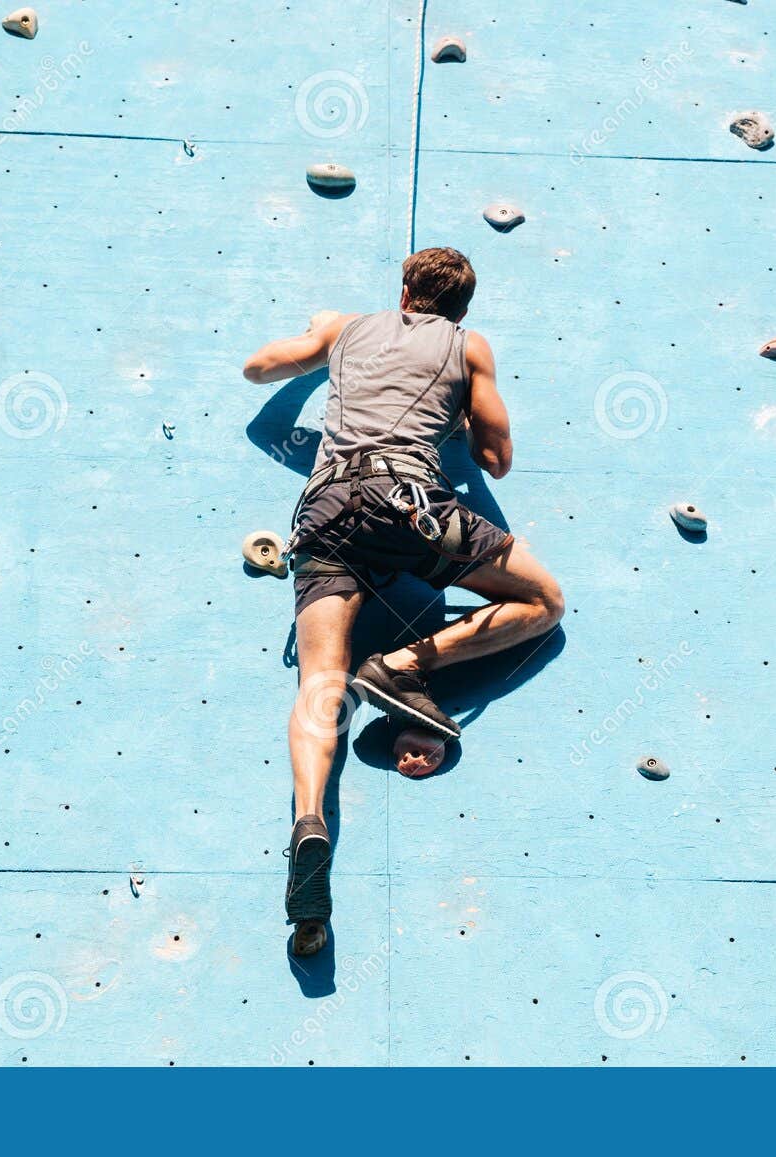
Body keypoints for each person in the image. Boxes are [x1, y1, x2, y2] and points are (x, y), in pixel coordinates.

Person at [242, 247, 565, 956]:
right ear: (463, 308)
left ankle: (308, 822)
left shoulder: (347, 329)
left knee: (319, 683)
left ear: (405, 291)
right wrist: (455, 414)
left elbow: (259, 369)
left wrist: (321, 336)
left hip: (325, 510)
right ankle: (404, 665)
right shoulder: (467, 344)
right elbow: (496, 457)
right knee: (544, 602)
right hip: (411, 507)